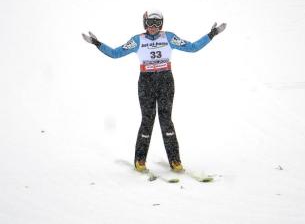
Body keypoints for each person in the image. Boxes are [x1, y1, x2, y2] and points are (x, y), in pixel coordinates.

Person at [82, 10, 226, 173]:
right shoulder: (138, 40)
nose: (153, 27)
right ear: (144, 23)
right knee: (147, 120)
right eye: (150, 22)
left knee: (166, 120)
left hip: (165, 81)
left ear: (162, 24)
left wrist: (212, 34)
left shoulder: (169, 37)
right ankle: (140, 160)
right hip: (146, 82)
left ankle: (175, 161)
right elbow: (116, 54)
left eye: (157, 23)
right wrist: (96, 43)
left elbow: (192, 48)